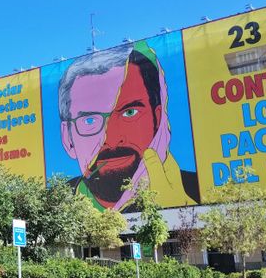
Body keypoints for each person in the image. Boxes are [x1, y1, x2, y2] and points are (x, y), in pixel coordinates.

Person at [58, 42, 199, 211]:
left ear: (157, 118)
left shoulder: (195, 191)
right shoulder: (54, 206)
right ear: (68, 138)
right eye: (90, 120)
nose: (112, 139)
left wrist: (181, 213)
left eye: (130, 113)